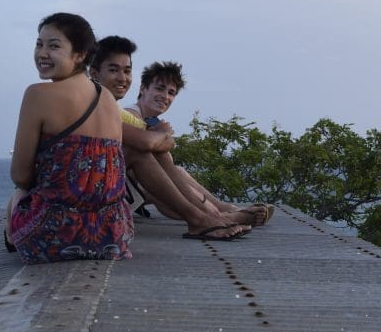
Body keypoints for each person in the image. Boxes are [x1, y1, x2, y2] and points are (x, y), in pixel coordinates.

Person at [89, 40, 271, 240]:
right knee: (147, 158)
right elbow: (147, 143)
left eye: (127, 71)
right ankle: (211, 216)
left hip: (113, 182)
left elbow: (165, 143)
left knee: (162, 162)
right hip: (97, 186)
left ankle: (215, 213)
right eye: (113, 70)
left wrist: (160, 136)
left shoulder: (110, 105)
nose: (122, 77)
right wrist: (160, 135)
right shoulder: (107, 106)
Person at [5, 13, 133, 262]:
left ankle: (12, 237)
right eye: (39, 44)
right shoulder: (107, 98)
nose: (42, 53)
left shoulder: (37, 94)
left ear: (80, 55)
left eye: (54, 46)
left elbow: (20, 175)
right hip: (113, 237)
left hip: (54, 237)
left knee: (18, 193)